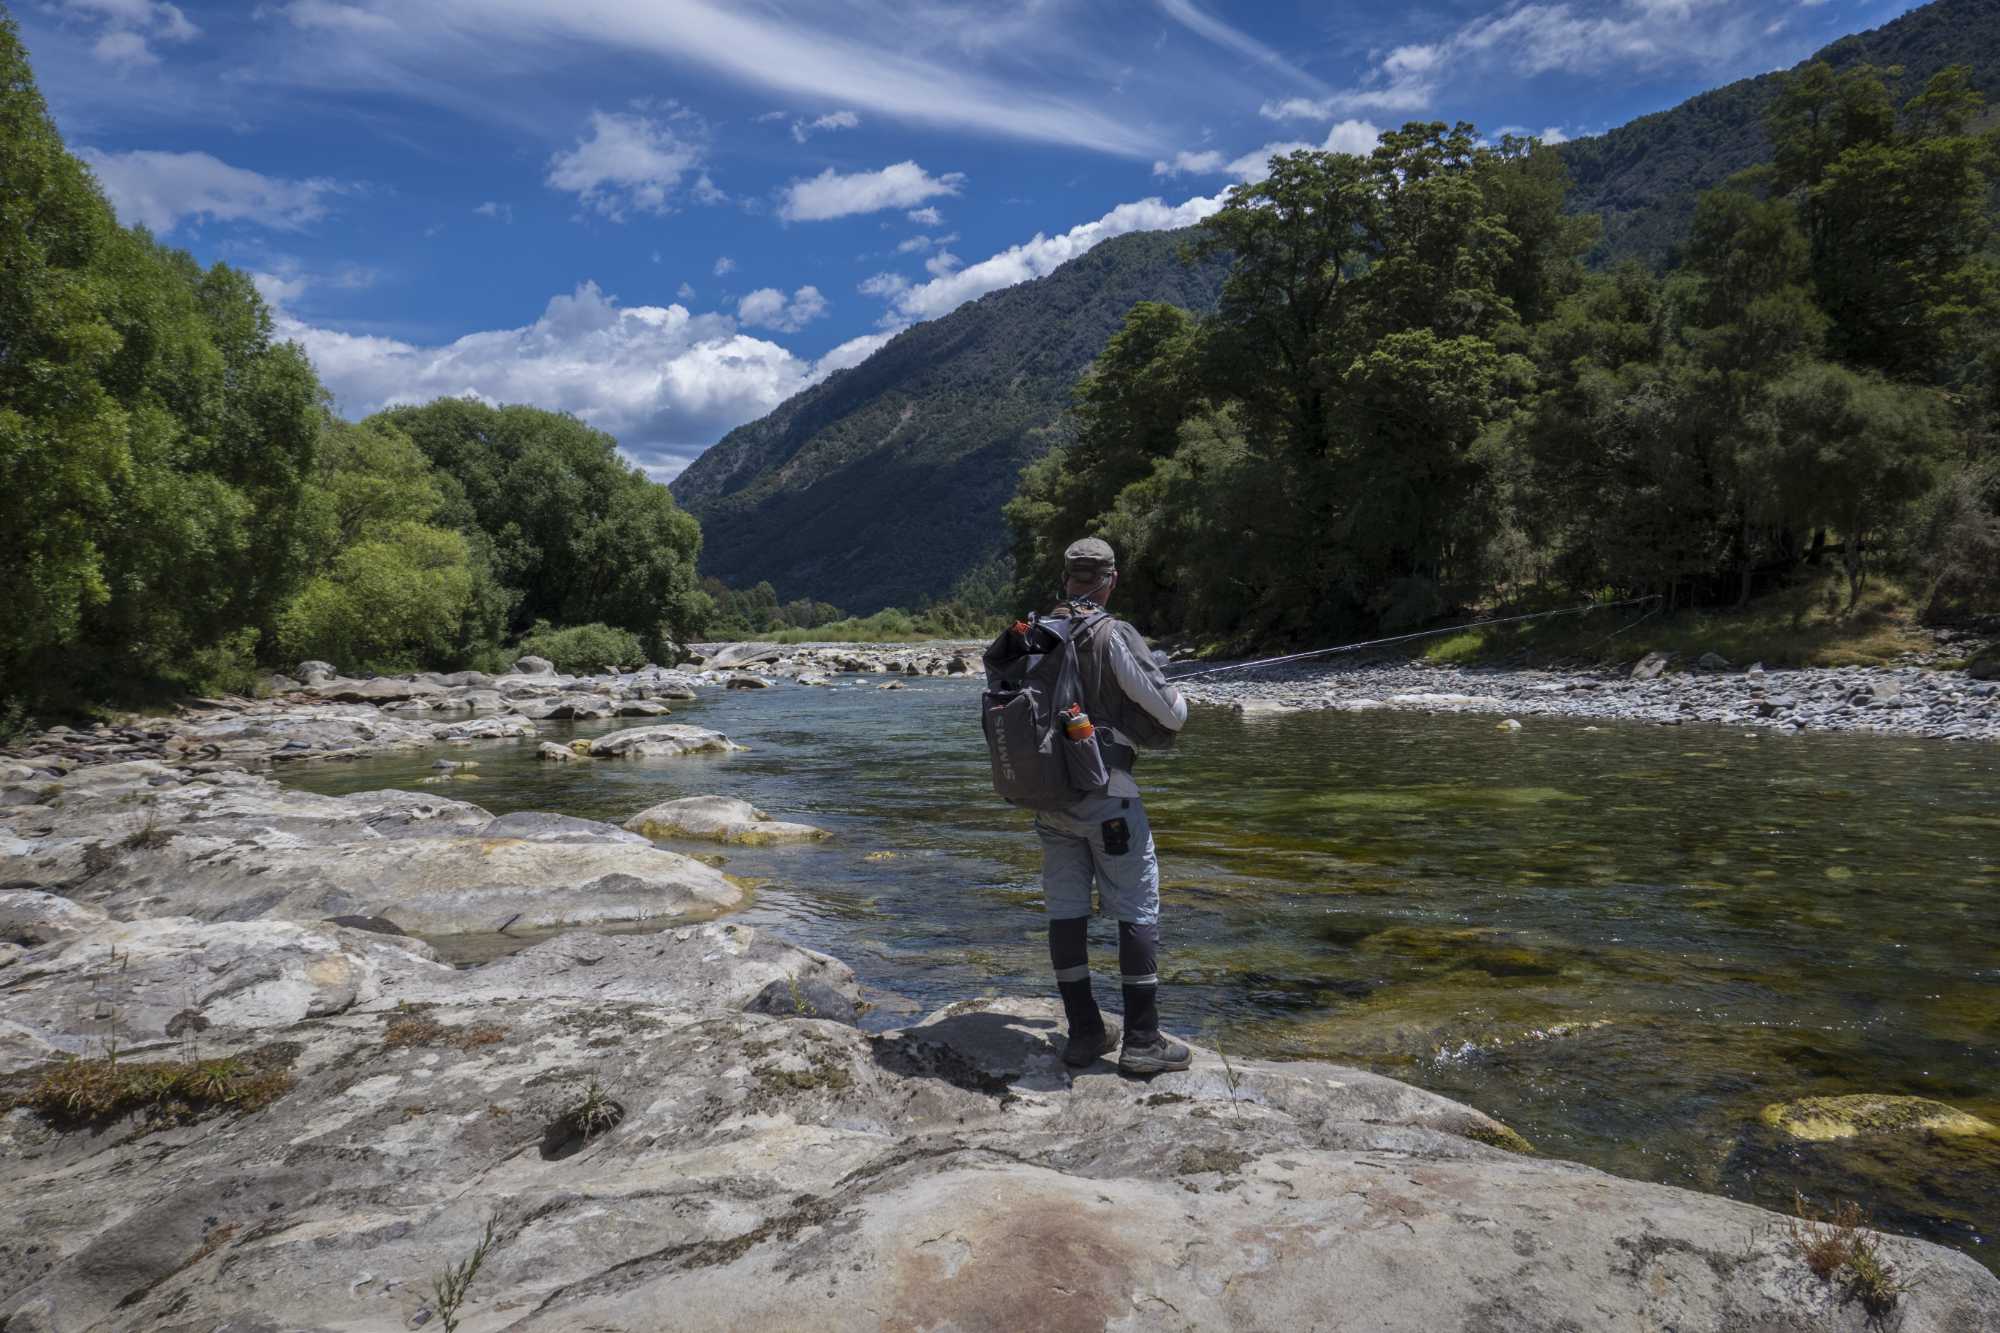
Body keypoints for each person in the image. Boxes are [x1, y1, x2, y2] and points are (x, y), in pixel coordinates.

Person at [1038, 536, 1191, 1075]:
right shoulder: (1111, 632)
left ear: (1065, 578)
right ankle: (1143, 1041)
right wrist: (1173, 689)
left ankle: (1083, 1035)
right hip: (1110, 797)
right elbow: (1172, 716)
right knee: (1136, 905)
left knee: (1065, 909)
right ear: (1111, 580)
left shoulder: (1036, 631)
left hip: (1050, 797)